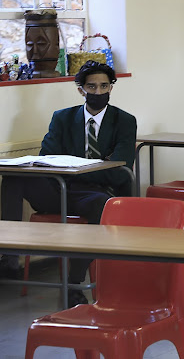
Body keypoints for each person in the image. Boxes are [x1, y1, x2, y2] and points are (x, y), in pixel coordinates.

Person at [0, 61, 136, 306]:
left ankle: (73, 284)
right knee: (13, 178)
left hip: (93, 195)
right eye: (91, 87)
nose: (98, 92)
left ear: (111, 88)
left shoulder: (124, 121)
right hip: (58, 189)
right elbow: (47, 158)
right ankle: (8, 260)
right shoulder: (62, 118)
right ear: (80, 89)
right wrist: (96, 164)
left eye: (104, 86)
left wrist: (76, 168)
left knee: (102, 204)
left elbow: (119, 170)